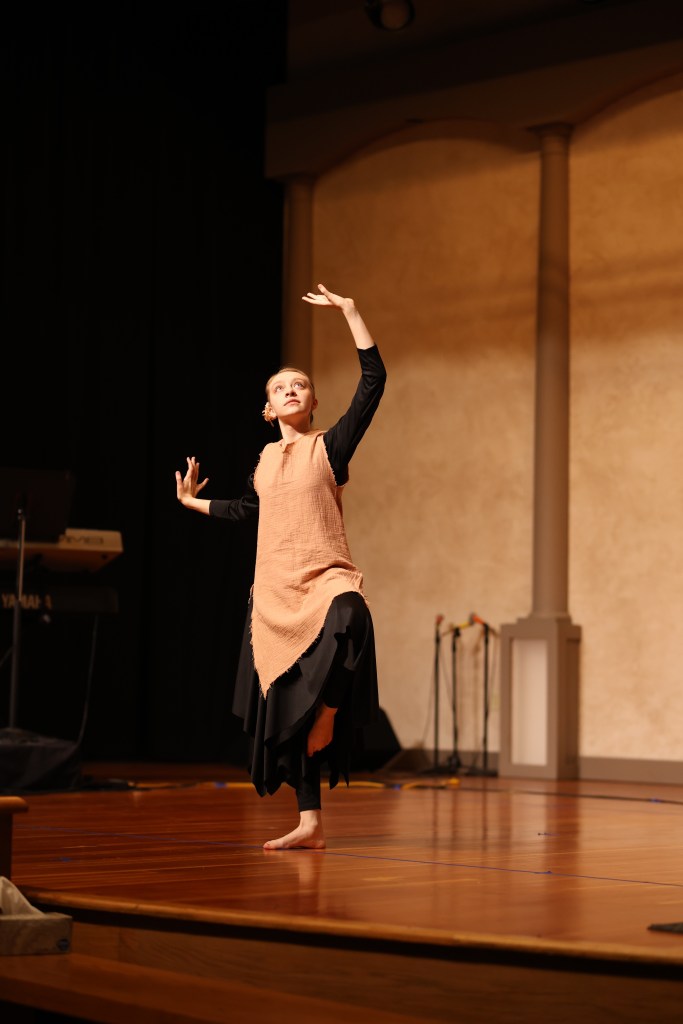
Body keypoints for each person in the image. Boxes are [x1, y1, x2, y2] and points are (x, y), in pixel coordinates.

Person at [175, 284, 386, 850]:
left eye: (300, 385)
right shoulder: (266, 459)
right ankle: (310, 822)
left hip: (323, 577)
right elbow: (248, 509)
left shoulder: (330, 447)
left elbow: (373, 383)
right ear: (268, 409)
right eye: (280, 387)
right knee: (287, 698)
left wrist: (351, 312)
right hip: (273, 593)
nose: (291, 389)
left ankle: (330, 713)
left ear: (312, 403)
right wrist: (193, 503)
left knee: (353, 615)